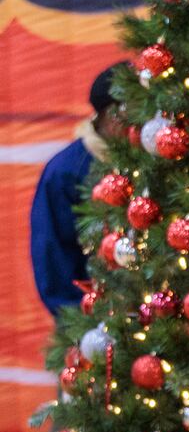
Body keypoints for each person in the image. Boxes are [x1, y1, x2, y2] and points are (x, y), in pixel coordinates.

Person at [29, 64, 124, 317]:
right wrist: (79, 322)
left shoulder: (161, 160)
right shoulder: (66, 172)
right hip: (97, 319)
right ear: (110, 115)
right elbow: (53, 257)